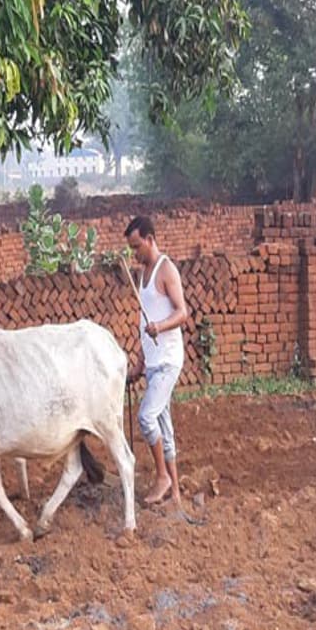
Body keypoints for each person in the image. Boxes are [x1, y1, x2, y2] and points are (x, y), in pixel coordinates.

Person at [124, 216, 189, 506]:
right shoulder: (143, 274)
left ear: (150, 239)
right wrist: (139, 365)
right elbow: (143, 324)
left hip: (168, 362)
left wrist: (160, 327)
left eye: (137, 246)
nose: (134, 253)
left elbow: (183, 313)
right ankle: (175, 494)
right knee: (164, 426)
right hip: (152, 364)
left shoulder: (166, 269)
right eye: (131, 248)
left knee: (146, 417)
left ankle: (162, 477)